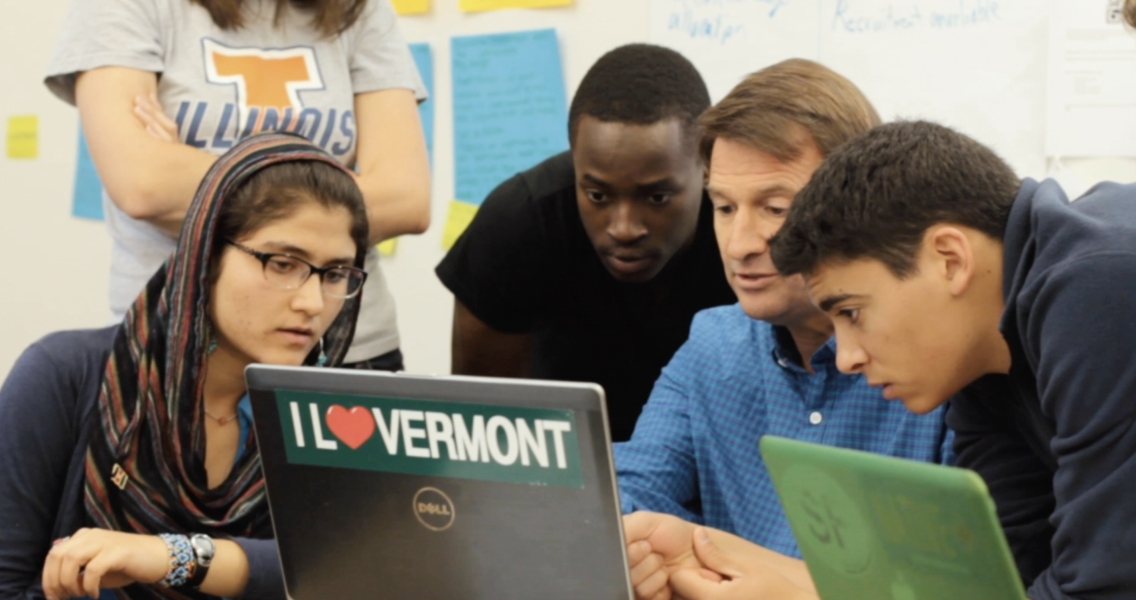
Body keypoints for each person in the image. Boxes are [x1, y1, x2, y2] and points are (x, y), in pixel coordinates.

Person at [617, 61, 953, 600]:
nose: (739, 242)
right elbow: (629, 493)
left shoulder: (938, 365)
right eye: (723, 207)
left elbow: (967, 581)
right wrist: (638, 551)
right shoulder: (712, 346)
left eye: (775, 208)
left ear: (855, 203)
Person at [768, 119, 1136, 599]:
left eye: (852, 312)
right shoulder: (984, 356)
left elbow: (1103, 586)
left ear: (950, 259)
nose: (847, 359)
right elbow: (1002, 575)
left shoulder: (1097, 285)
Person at [0, 133, 368, 599]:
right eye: (281, 263)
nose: (312, 302)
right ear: (205, 254)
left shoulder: (332, 418)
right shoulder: (63, 376)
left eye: (335, 274)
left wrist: (171, 556)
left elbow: (348, 566)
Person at [44, 0, 429, 370]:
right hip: (177, 348)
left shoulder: (360, 8)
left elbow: (406, 199)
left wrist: (189, 174)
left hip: (346, 349)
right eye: (281, 261)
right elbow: (143, 186)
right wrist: (330, 199)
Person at [435, 44, 735, 442]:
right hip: (560, 470)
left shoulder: (748, 231)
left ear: (706, 165)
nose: (624, 228)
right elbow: (483, 424)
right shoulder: (519, 222)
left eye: (657, 198)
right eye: (597, 196)